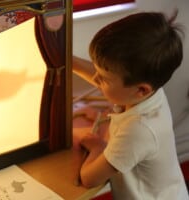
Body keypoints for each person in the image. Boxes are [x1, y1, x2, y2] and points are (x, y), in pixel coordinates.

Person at [73, 11, 189, 199]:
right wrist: (72, 63)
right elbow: (114, 80)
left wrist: (98, 147)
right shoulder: (151, 89)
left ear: (141, 90)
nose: (95, 79)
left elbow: (89, 179)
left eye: (103, 79)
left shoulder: (138, 130)